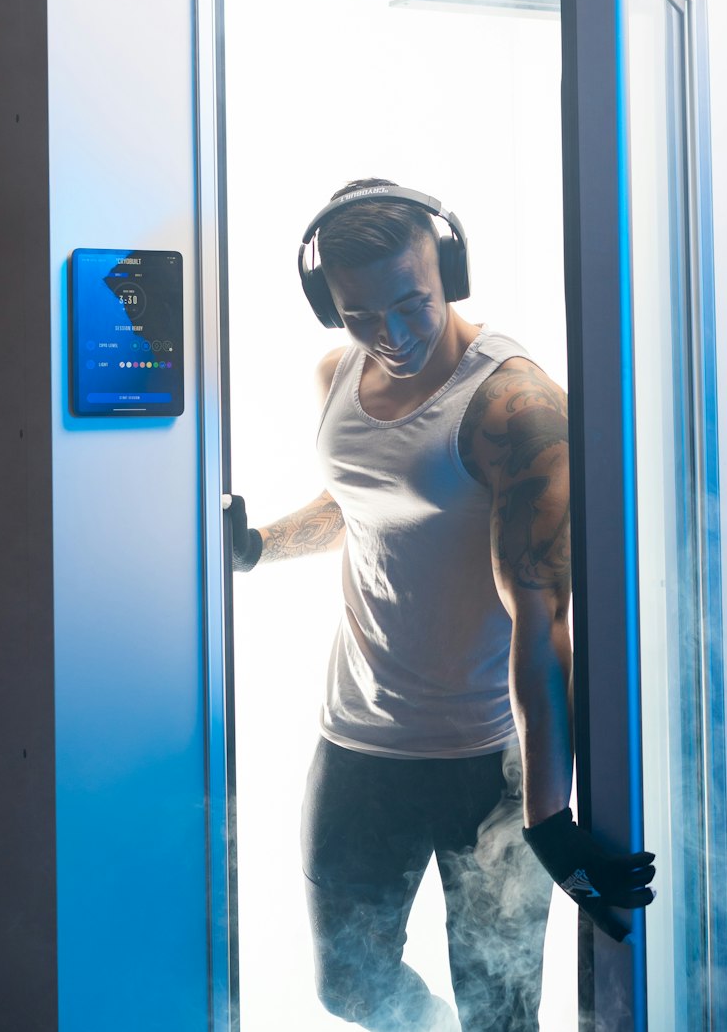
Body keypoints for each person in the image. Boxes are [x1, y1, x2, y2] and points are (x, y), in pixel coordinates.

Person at [229, 179, 655, 1032]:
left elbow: (542, 617)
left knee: (499, 1016)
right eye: (359, 314)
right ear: (329, 305)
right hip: (357, 744)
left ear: (449, 272)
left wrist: (548, 816)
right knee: (349, 986)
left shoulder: (514, 406)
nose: (390, 334)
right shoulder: (337, 371)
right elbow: (359, 506)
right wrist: (260, 546)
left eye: (410, 302)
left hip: (484, 762)